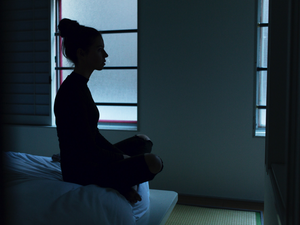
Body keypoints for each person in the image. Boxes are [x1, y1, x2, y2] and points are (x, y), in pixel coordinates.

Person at [54, 18, 163, 204]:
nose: (105, 54)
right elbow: (87, 148)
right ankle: (123, 185)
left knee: (143, 140)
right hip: (80, 170)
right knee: (154, 162)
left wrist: (120, 156)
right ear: (82, 53)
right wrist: (121, 157)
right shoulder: (71, 92)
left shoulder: (79, 85)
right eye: (99, 49)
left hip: (91, 159)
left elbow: (94, 136)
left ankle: (123, 184)